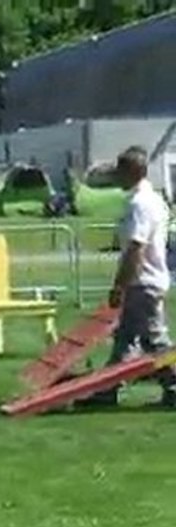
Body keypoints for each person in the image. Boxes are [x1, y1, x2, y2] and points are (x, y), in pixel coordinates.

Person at [80, 145, 176, 408]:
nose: (115, 177)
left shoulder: (139, 204)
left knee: (155, 341)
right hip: (148, 280)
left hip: (143, 282)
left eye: (119, 172)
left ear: (132, 171)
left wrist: (119, 286)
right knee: (126, 341)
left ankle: (174, 384)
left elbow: (136, 249)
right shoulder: (152, 199)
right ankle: (107, 389)